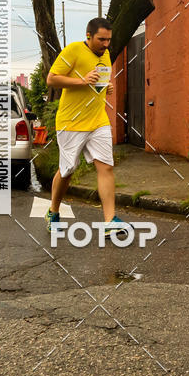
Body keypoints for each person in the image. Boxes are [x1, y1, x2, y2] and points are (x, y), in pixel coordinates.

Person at [44, 17, 126, 235]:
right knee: (68, 170)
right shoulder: (73, 50)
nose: (106, 44)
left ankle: (110, 222)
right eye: (101, 39)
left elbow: (96, 82)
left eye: (109, 39)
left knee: (105, 166)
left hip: (98, 120)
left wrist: (105, 87)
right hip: (71, 122)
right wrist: (82, 81)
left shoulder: (106, 54)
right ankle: (53, 211)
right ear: (88, 36)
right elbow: (51, 79)